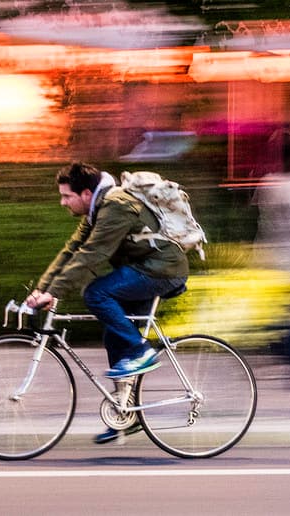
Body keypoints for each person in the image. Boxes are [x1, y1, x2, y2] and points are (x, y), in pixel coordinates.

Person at [25, 162, 188, 443]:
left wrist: (56, 292)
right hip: (145, 269)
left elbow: (92, 254)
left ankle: (142, 351)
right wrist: (42, 289)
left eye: (66, 196)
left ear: (86, 193)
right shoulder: (97, 209)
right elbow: (71, 251)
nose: (63, 202)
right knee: (114, 334)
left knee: (96, 293)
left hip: (162, 271)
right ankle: (125, 411)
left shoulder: (116, 206)